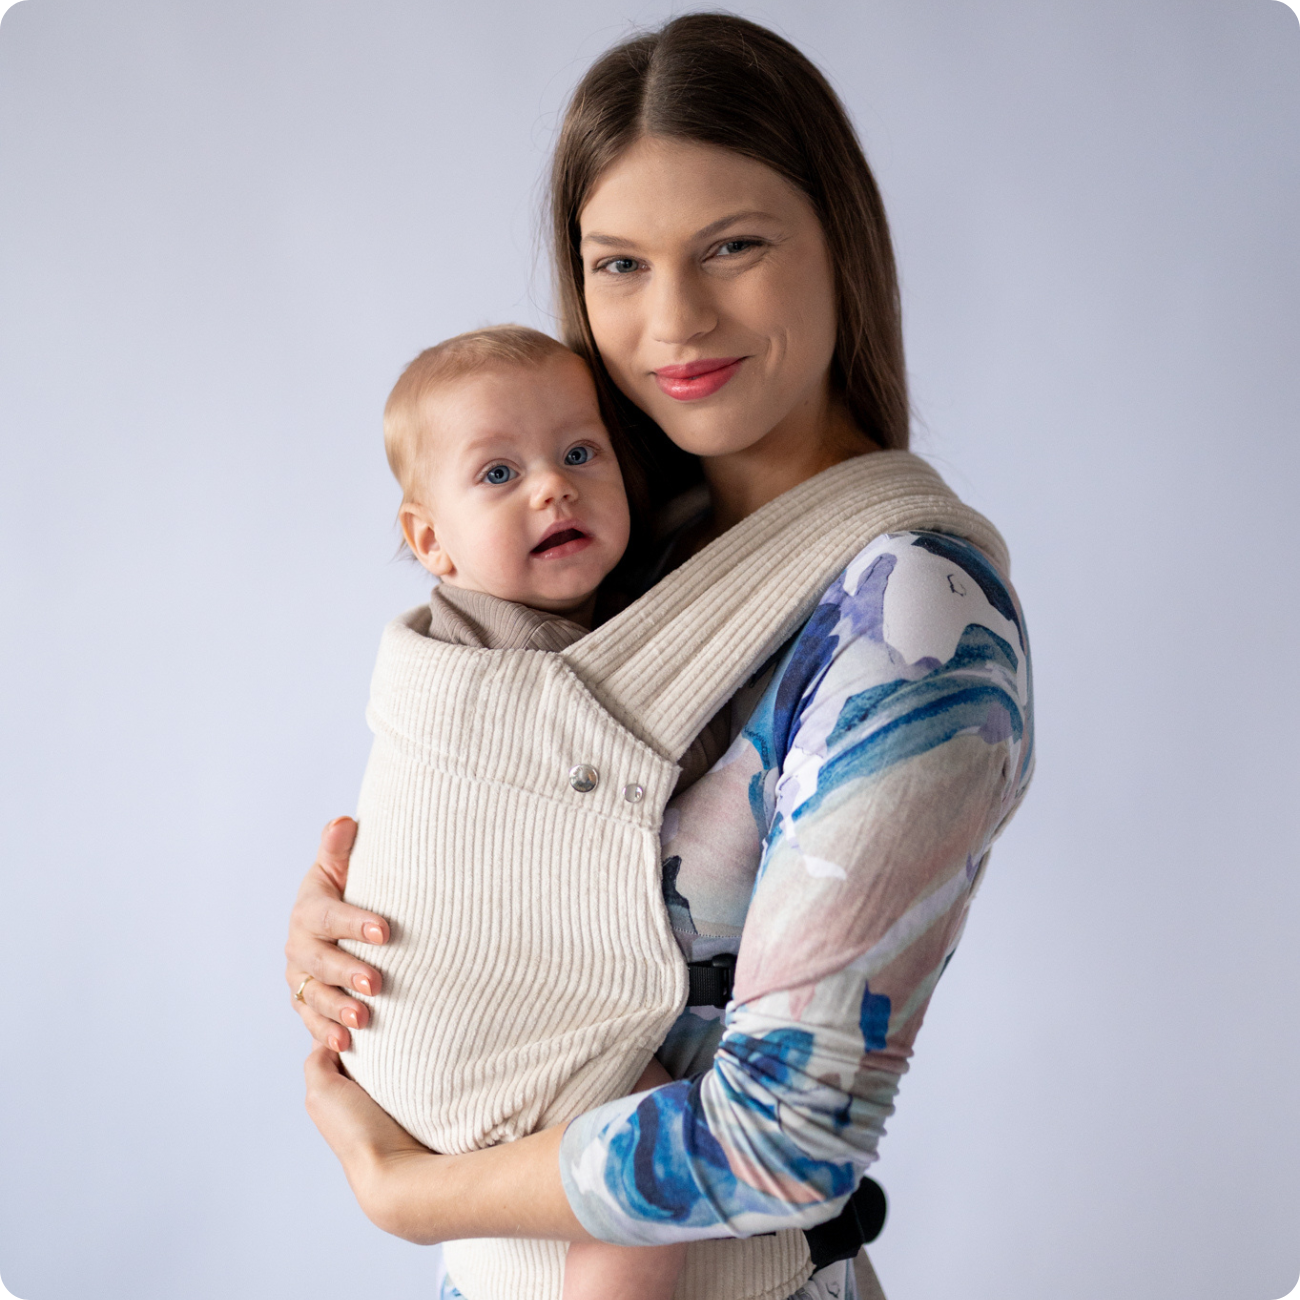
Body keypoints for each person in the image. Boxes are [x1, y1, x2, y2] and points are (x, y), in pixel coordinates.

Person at [286, 15, 1035, 1300]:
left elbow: (785, 1141)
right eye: (619, 264)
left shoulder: (911, 616)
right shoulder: (612, 542)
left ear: (840, 248)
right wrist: (360, 944)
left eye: (733, 246)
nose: (674, 319)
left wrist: (405, 1191)